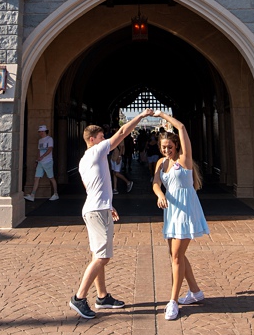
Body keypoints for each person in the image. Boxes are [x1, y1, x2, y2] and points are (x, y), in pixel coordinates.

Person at [70, 109, 154, 319]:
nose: (105, 140)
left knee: (97, 255)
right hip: (97, 211)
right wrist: (142, 116)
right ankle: (79, 298)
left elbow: (91, 186)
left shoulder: (83, 160)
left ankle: (102, 296)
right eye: (101, 137)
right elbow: (124, 132)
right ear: (92, 139)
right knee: (103, 256)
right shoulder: (97, 151)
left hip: (97, 207)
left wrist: (108, 204)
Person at [151, 111, 208, 321]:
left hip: (186, 211)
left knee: (176, 256)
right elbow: (156, 183)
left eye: (170, 147)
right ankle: (195, 291)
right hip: (171, 212)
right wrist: (159, 195)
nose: (167, 150)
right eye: (163, 147)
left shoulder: (185, 160)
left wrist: (164, 115)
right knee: (177, 255)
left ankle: (173, 301)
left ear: (177, 146)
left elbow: (182, 128)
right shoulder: (160, 163)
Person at [24, 124, 58, 202]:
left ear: (45, 131)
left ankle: (56, 194)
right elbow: (39, 151)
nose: (41, 133)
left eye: (42, 131)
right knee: (36, 178)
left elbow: (49, 149)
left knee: (51, 178)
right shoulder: (40, 140)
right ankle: (32, 195)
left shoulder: (49, 139)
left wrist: (42, 157)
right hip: (41, 162)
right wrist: (37, 160)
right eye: (39, 132)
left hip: (48, 161)